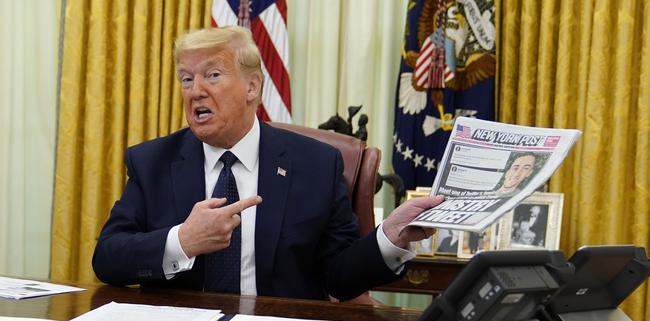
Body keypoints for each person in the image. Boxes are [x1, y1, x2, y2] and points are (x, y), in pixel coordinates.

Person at [92, 26, 444, 302]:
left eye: (212, 75)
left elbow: (339, 275)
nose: (195, 90)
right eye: (187, 78)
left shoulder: (316, 164)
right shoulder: (152, 161)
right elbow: (107, 259)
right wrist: (182, 240)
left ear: (252, 87)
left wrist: (389, 239)